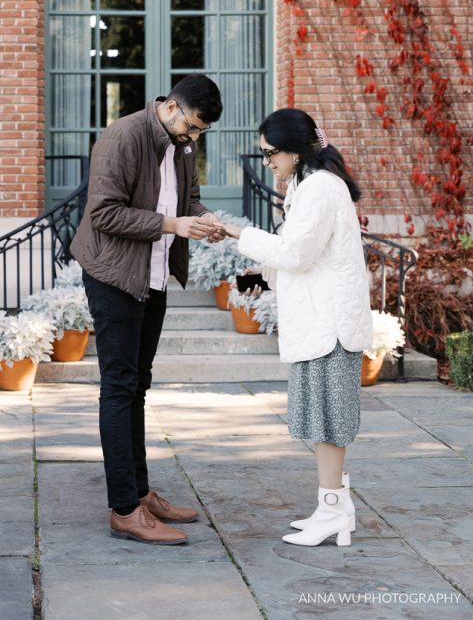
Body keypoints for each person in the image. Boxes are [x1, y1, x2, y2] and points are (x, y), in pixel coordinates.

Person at [70, 74, 226, 545]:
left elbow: (187, 200)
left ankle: (139, 493)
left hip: (154, 276)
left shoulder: (182, 144)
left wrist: (205, 219)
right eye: (191, 127)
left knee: (138, 384)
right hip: (114, 276)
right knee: (119, 387)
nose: (193, 138)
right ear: (172, 107)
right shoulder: (122, 136)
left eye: (200, 132)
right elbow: (104, 213)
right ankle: (124, 510)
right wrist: (174, 225)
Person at [223, 108, 372, 548]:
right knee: (322, 421)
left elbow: (296, 254)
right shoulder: (309, 186)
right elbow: (303, 256)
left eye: (271, 153)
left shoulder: (321, 187)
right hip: (321, 322)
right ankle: (333, 508)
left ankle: (334, 511)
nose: (267, 161)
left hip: (331, 327)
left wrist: (236, 232)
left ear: (294, 151)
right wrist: (258, 277)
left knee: (330, 423)